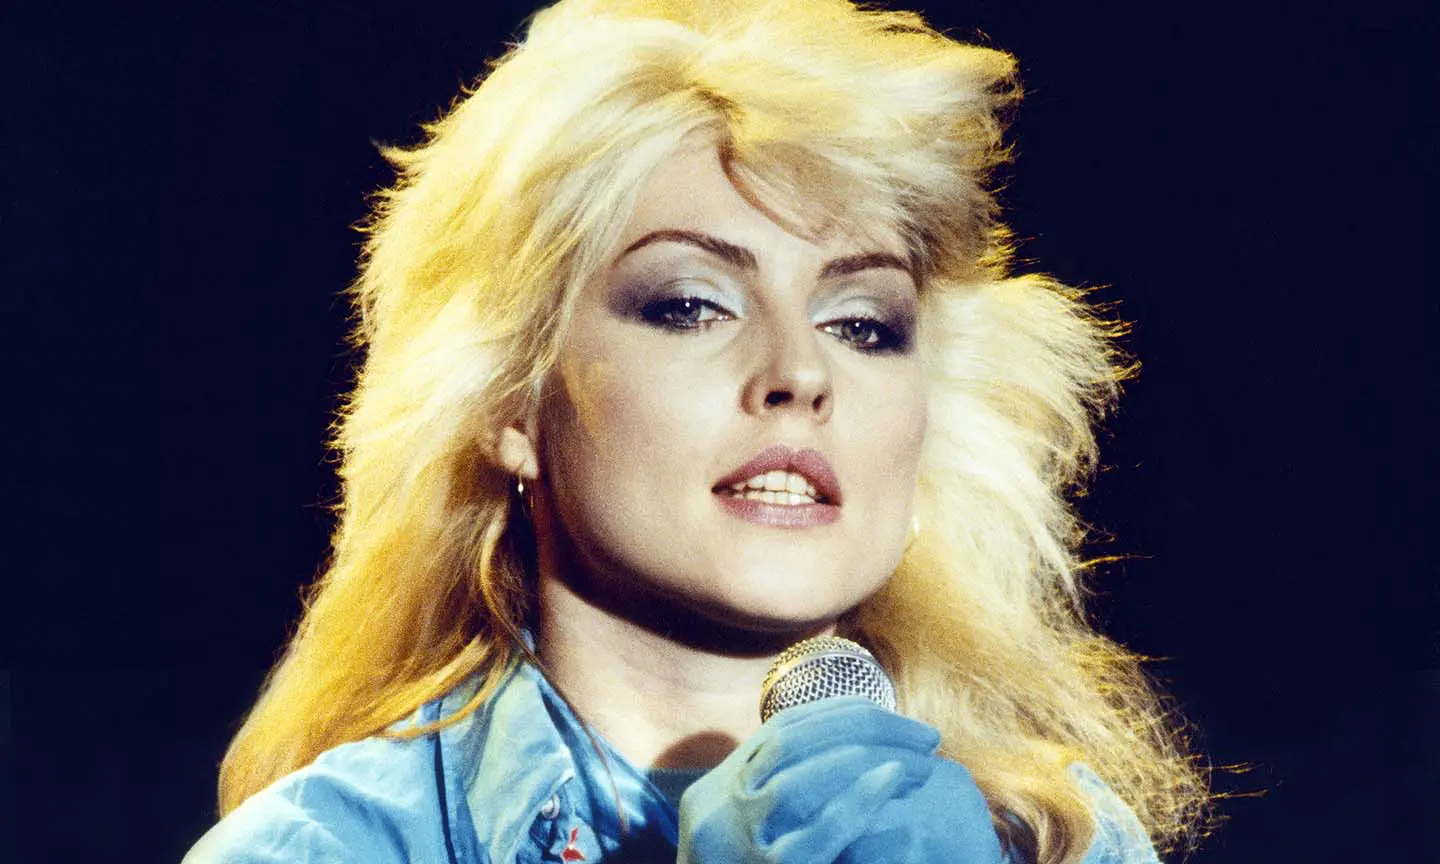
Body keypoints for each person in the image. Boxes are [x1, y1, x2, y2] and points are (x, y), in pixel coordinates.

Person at [186, 1, 1210, 862]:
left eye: (863, 324)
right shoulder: (330, 848)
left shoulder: (1058, 836)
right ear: (507, 398)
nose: (800, 374)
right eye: (691, 304)